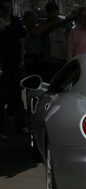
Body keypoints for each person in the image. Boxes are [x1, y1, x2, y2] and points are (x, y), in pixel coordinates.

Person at [0, 0, 29, 137]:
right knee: (1, 97)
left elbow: (22, 43)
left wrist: (21, 62)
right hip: (2, 65)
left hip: (15, 64)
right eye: (5, 7)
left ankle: (21, 124)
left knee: (17, 95)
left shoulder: (16, 23)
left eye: (9, 6)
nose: (8, 9)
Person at [34, 2, 71, 82]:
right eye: (49, 13)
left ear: (57, 12)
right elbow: (35, 31)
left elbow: (71, 38)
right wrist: (51, 24)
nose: (52, 15)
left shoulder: (65, 24)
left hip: (63, 59)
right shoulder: (44, 24)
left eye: (53, 12)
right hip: (49, 60)